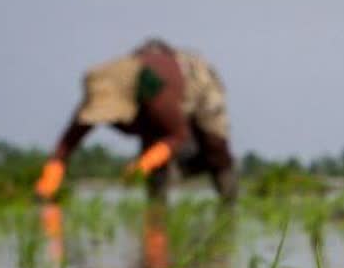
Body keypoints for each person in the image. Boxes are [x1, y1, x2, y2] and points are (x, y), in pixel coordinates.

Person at [34, 39, 237, 203]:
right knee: (155, 160)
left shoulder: (152, 87)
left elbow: (179, 133)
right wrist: (51, 176)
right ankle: (157, 219)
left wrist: (143, 164)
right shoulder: (98, 89)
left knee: (215, 145)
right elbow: (68, 142)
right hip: (152, 114)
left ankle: (229, 201)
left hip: (196, 84)